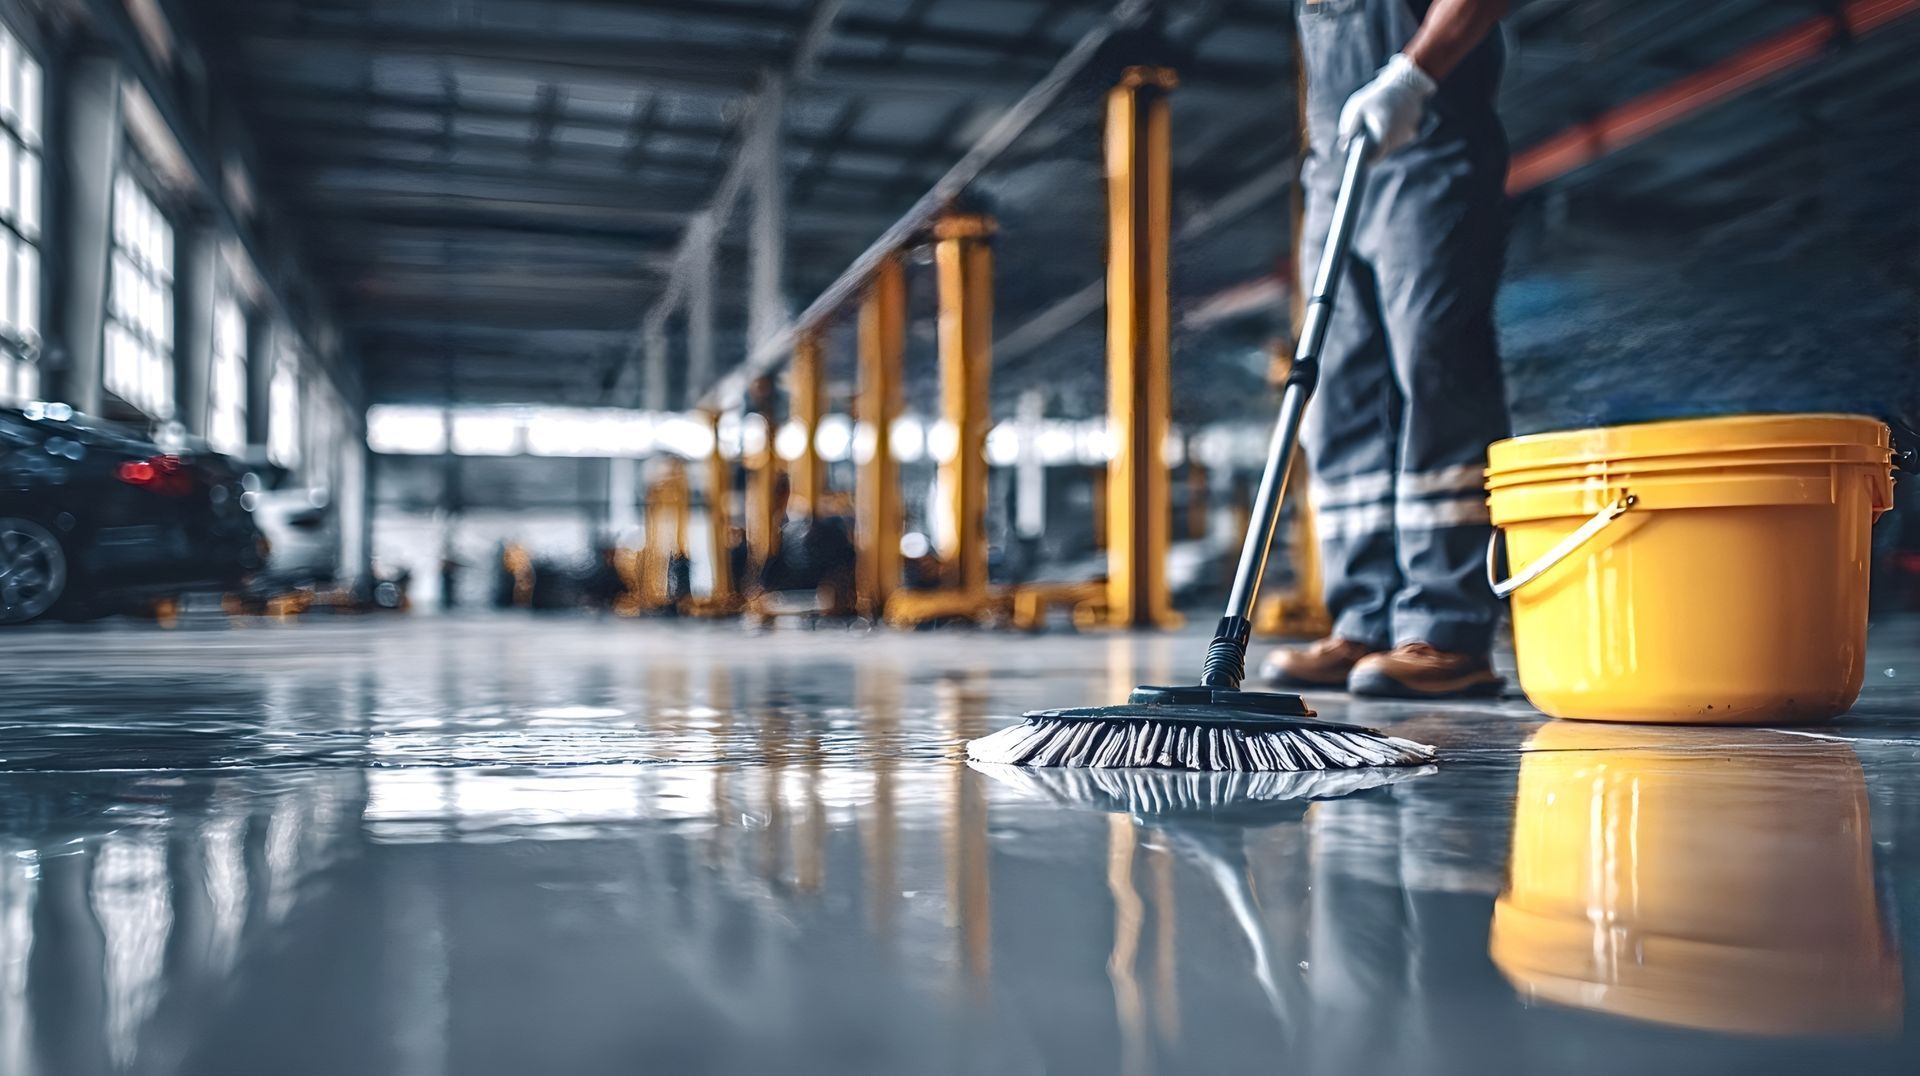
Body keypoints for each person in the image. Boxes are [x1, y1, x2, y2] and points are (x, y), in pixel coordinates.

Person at [1262, 0, 1512, 698]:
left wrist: (1411, 74)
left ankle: (1447, 627)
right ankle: (1363, 619)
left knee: (1436, 368)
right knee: (1336, 387)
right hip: (1334, 166)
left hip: (1427, 143)